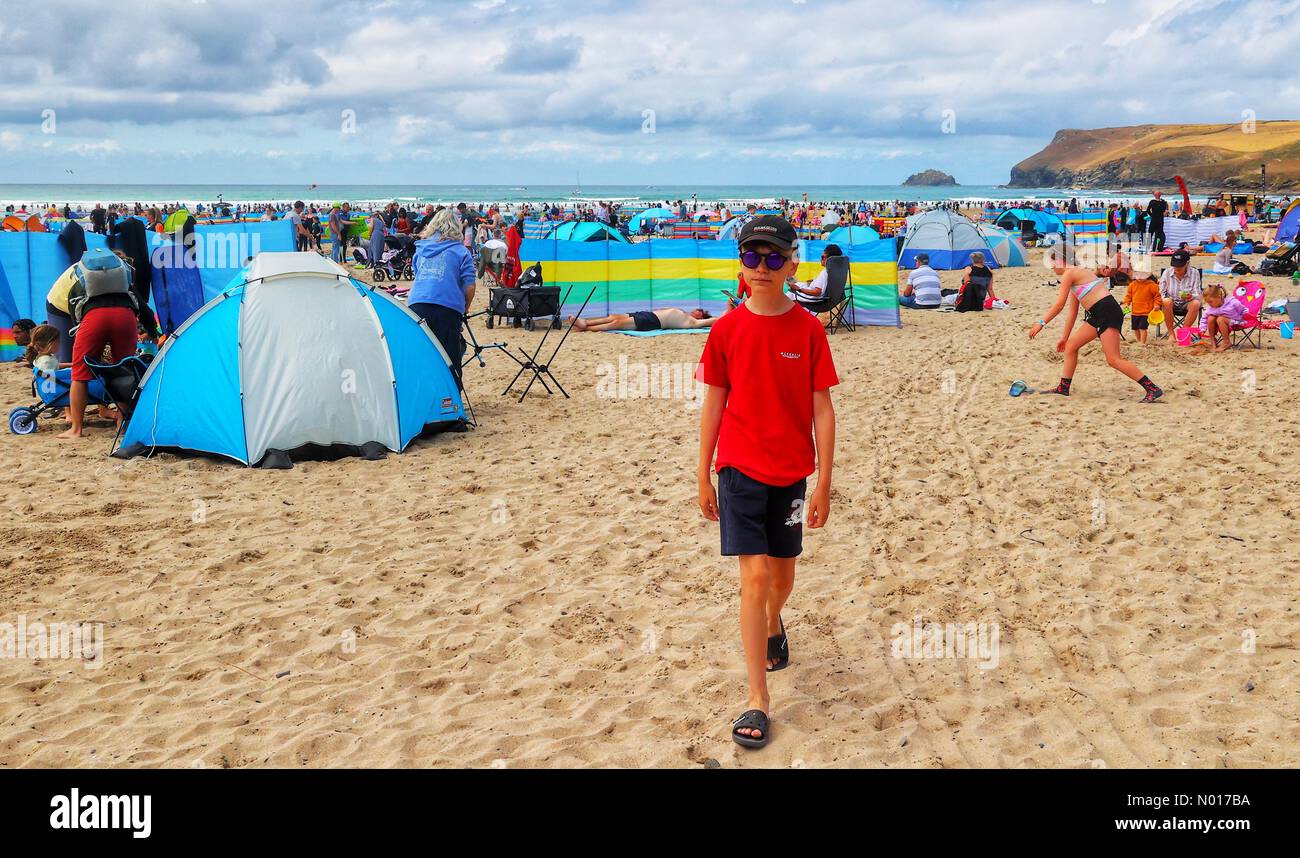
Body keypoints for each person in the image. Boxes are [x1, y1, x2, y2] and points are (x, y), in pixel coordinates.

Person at [696, 215, 838, 750]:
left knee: (781, 579)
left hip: (792, 473)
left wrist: (824, 481)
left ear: (791, 263)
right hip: (737, 469)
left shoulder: (808, 329)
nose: (761, 268)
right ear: (741, 263)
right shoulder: (725, 330)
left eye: (773, 258)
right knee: (753, 580)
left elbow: (822, 408)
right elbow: (713, 403)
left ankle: (774, 622)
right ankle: (758, 696)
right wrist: (704, 473)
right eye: (752, 257)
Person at [1028, 253, 1163, 403]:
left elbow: (1059, 305)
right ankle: (1063, 387)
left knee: (1113, 359)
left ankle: (1152, 388)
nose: (1052, 267)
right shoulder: (1076, 276)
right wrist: (1064, 338)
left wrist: (1040, 323)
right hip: (1098, 314)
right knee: (1071, 346)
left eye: (1053, 263)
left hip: (1107, 312)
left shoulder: (1070, 273)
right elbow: (1072, 313)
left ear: (1061, 260)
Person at [58, 252, 140, 439]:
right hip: (125, 316)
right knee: (124, 368)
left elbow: (74, 312)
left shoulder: (81, 282)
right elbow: (141, 305)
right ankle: (122, 421)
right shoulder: (124, 283)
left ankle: (76, 429)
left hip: (94, 317)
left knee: (79, 373)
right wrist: (151, 330)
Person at [408, 209, 475, 383]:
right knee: (450, 357)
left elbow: (418, 274)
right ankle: (451, 400)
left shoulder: (421, 249)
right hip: (447, 307)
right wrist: (465, 307)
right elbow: (470, 285)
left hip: (417, 304)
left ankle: (425, 396)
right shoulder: (461, 252)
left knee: (423, 354)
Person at [1158, 249, 1203, 338]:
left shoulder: (1194, 273)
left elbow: (1198, 293)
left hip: (1187, 303)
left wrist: (1191, 296)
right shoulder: (1167, 272)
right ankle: (1171, 334)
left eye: (1179, 267)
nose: (1176, 269)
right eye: (1174, 266)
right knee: (1166, 301)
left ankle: (1183, 332)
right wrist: (1165, 299)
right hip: (1171, 302)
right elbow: (1161, 292)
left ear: (1187, 264)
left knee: (1196, 303)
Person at [786, 244, 842, 309]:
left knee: (791, 291)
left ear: (830, 259)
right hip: (827, 298)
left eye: (823, 257)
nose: (821, 259)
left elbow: (817, 292)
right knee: (797, 283)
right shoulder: (836, 271)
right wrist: (815, 281)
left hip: (813, 299)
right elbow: (823, 285)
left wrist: (799, 289)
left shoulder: (825, 272)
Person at [569, 307, 714, 332]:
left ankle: (585, 328)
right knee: (614, 317)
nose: (695, 311)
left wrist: (729, 307)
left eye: (698, 312)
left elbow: (715, 320)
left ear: (701, 316)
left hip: (653, 321)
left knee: (616, 323)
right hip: (649, 314)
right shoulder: (685, 314)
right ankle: (585, 322)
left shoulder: (693, 323)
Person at [1121, 265, 1161, 344]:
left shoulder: (1152, 285)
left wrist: (1157, 305)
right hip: (1135, 311)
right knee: (1135, 328)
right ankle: (1139, 340)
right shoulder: (1132, 285)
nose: (1139, 277)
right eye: (1137, 274)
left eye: (1142, 274)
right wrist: (1126, 303)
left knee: (1143, 328)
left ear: (1148, 275)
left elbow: (1157, 297)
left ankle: (1142, 342)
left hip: (1146, 312)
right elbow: (1128, 296)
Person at [1201, 284, 1248, 352]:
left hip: (1237, 323)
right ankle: (1213, 341)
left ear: (1219, 297)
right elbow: (1204, 318)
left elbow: (1243, 310)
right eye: (1208, 302)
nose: (1209, 304)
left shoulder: (1233, 303)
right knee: (1211, 317)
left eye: (1211, 301)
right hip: (1223, 325)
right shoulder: (1211, 308)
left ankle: (1226, 342)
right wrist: (1202, 328)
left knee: (1220, 318)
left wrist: (1246, 317)